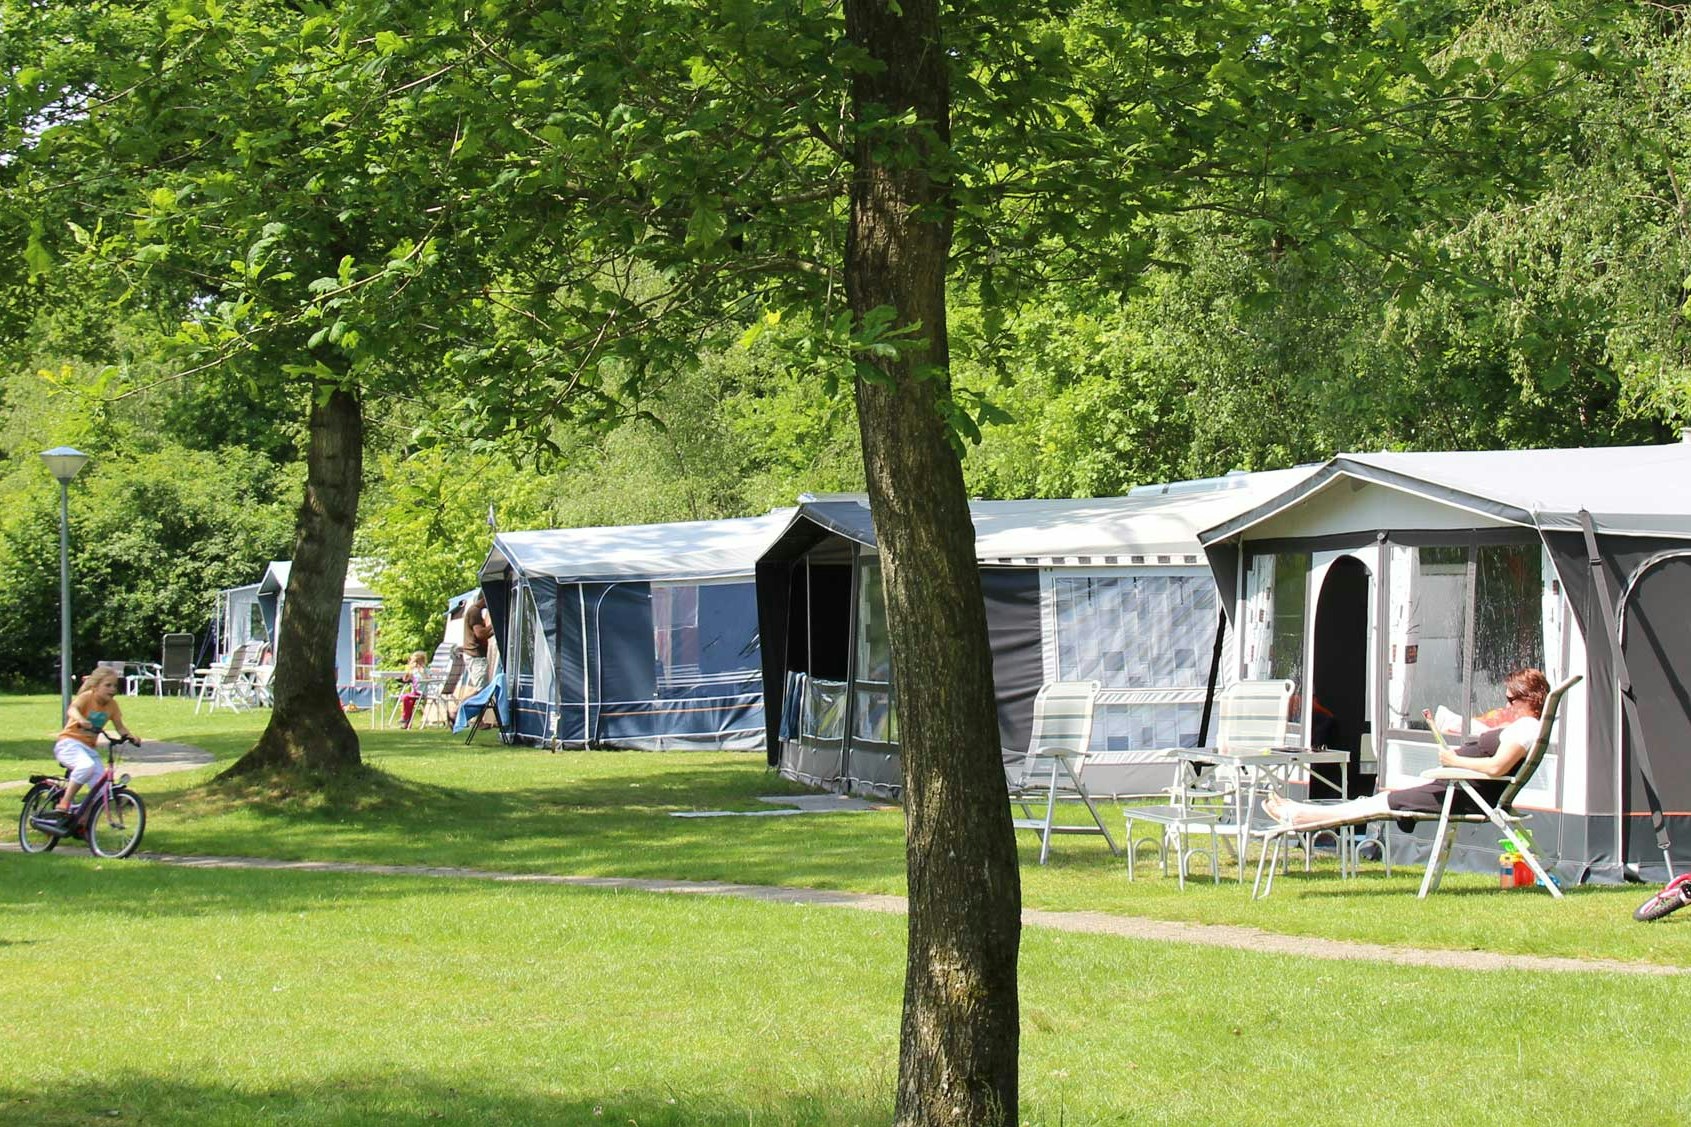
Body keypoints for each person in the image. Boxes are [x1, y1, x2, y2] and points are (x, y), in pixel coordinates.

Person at [1264, 668, 1550, 831]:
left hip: (1465, 795)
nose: (1507, 705)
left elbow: (1497, 767)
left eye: (1511, 699)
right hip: (1462, 790)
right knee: (1377, 802)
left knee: (1377, 803)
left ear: (1529, 698)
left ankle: (1298, 816)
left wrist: (1454, 761)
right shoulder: (1526, 727)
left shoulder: (1526, 727)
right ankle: (1297, 811)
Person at [41, 666, 139, 830]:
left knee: (103, 790)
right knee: (86, 766)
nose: (113, 689)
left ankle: (83, 821)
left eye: (115, 686)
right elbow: (72, 709)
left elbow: (120, 727)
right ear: (95, 686)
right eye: (108, 685)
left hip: (89, 749)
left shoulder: (112, 706)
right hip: (69, 743)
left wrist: (131, 737)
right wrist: (81, 720)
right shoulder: (87, 697)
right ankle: (64, 802)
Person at [458, 592, 493, 692]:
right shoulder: (475, 611)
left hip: (471, 654)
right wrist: (494, 625)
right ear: (485, 599)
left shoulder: (473, 610)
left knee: (480, 687)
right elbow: (480, 634)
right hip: (476, 655)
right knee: (482, 689)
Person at [396, 650, 429, 729]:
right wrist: (408, 671)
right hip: (415, 692)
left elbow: (427, 679)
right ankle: (407, 723)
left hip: (422, 692)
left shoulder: (425, 670)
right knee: (409, 702)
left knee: (405, 697)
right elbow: (405, 680)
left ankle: (405, 717)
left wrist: (422, 672)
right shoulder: (414, 671)